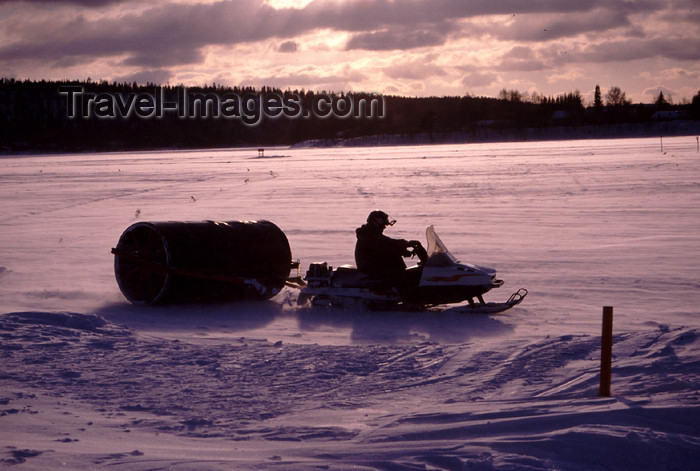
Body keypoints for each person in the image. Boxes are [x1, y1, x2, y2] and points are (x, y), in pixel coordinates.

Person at [354, 210, 426, 278]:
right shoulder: (368, 235)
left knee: (395, 257)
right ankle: (403, 287)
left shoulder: (369, 233)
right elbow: (387, 243)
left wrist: (405, 251)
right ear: (376, 222)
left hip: (372, 265)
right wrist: (406, 244)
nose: (384, 227)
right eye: (383, 225)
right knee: (395, 262)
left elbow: (387, 246)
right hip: (370, 268)